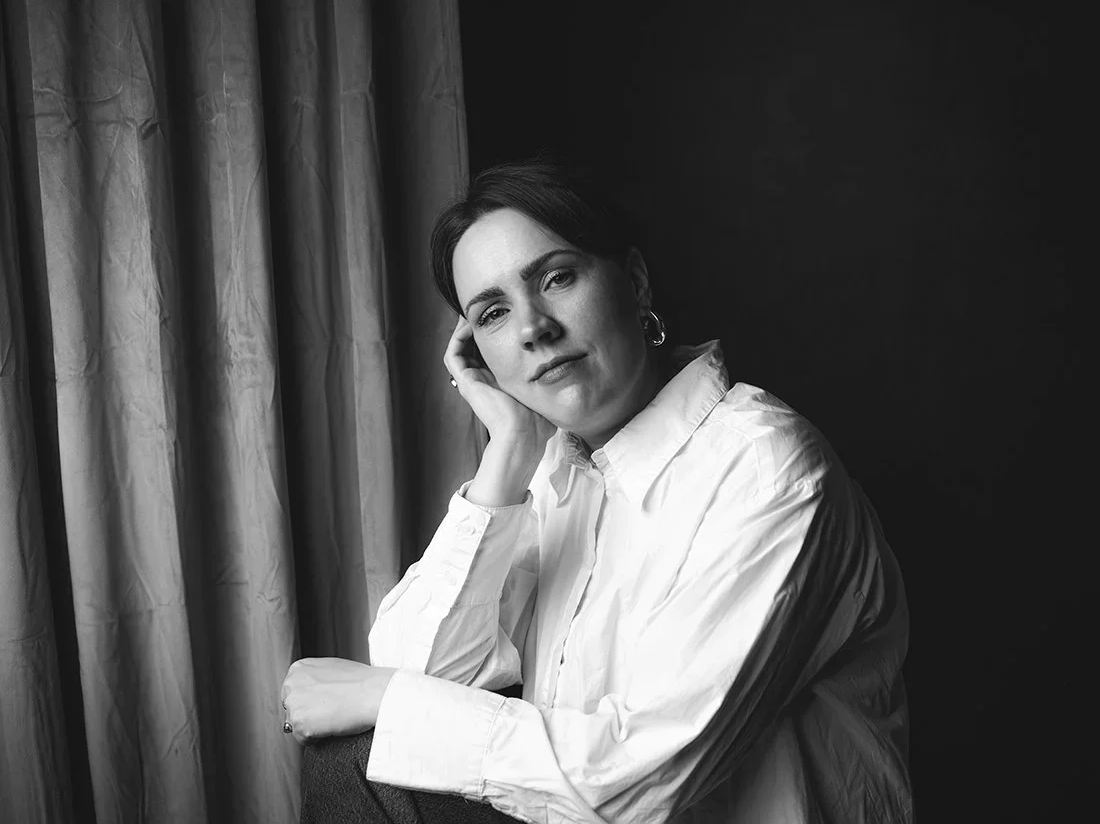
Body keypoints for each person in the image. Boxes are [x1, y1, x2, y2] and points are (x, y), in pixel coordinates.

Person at [280, 160, 913, 824]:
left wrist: (387, 699)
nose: (533, 327)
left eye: (557, 277)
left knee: (367, 743)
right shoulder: (555, 474)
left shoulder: (767, 468)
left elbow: (641, 781)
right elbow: (421, 677)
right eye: (493, 313)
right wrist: (509, 449)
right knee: (358, 753)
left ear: (635, 282)